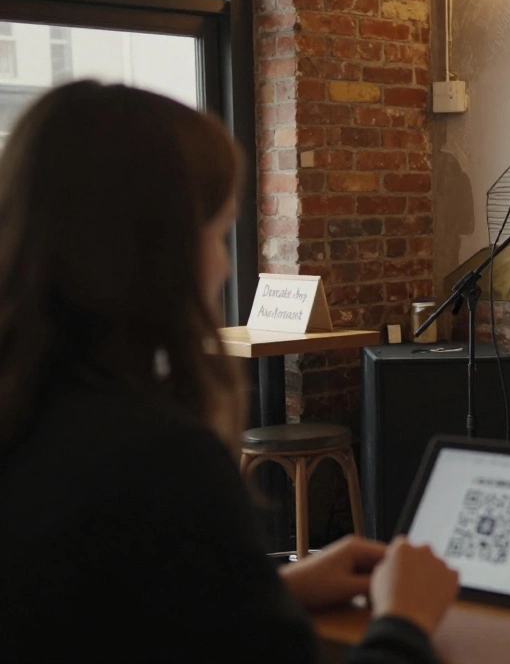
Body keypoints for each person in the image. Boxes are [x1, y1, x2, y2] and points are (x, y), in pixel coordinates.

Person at [0, 81, 458, 663]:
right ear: (153, 250)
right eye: (216, 233)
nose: (222, 263)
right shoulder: (156, 459)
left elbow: (98, 613)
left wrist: (268, 589)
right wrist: (406, 618)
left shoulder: (33, 421)